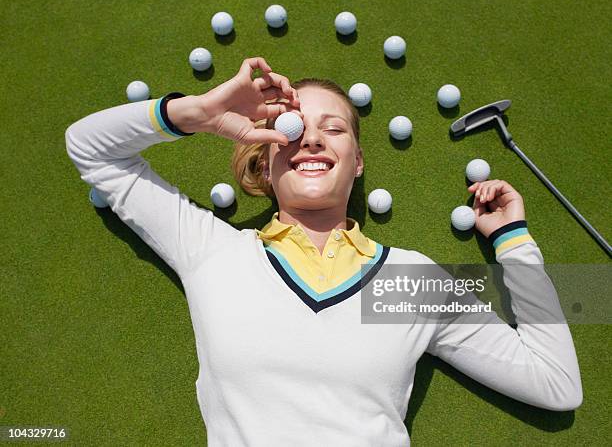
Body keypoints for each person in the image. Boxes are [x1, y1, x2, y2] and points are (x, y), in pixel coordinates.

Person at [65, 57, 582, 446]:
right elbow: (87, 147)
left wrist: (514, 244)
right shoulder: (212, 252)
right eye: (289, 131)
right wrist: (200, 112)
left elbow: (557, 386)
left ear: (356, 162)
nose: (310, 141)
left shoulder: (408, 283)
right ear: (264, 166)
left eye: (333, 130)